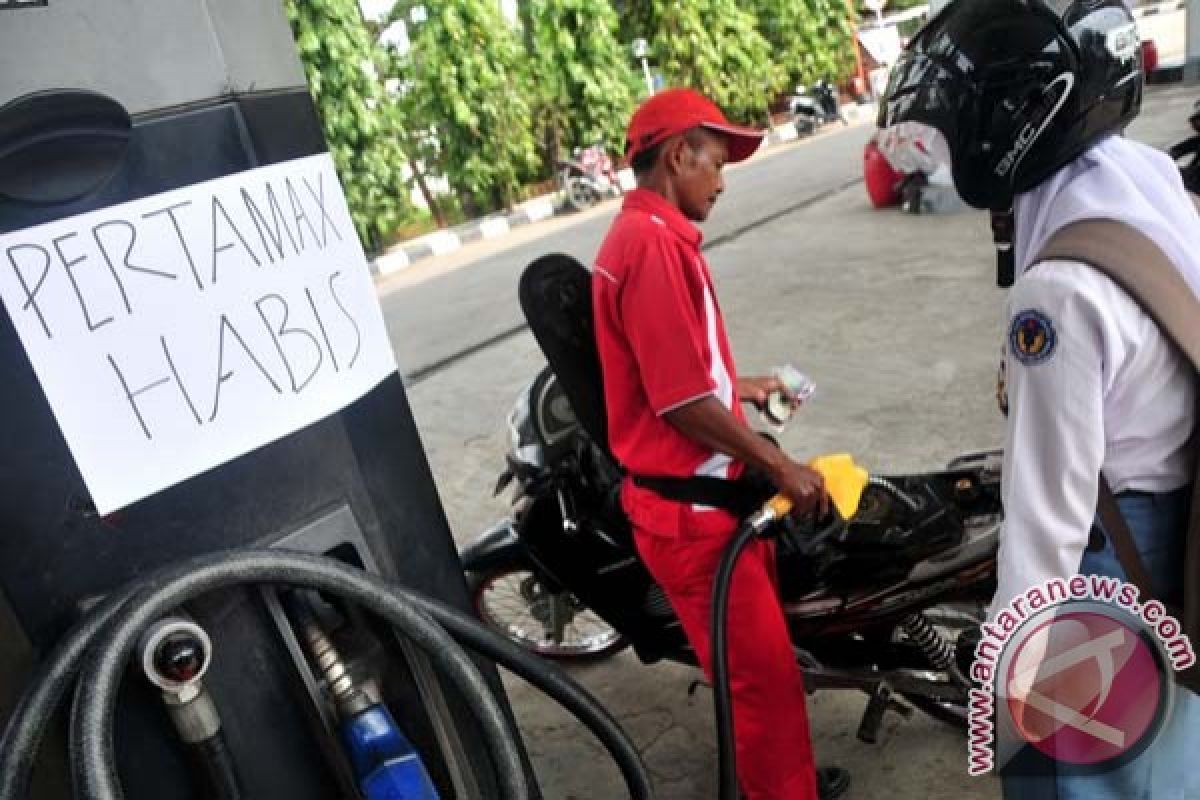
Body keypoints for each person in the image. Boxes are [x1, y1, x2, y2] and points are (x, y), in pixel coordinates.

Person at [879, 1, 1199, 797]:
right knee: (1160, 764)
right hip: (1174, 535)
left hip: (1107, 571)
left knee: (1067, 778)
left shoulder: (1055, 296)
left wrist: (1002, 682)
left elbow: (1048, 520)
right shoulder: (1145, 186)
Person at [590, 87, 849, 800]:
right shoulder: (647, 249)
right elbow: (679, 403)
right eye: (715, 160)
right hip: (694, 525)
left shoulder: (651, 239)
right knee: (758, 688)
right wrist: (780, 463)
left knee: (766, 676)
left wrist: (750, 384)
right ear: (678, 156)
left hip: (709, 509)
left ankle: (788, 781)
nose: (723, 178)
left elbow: (679, 375)